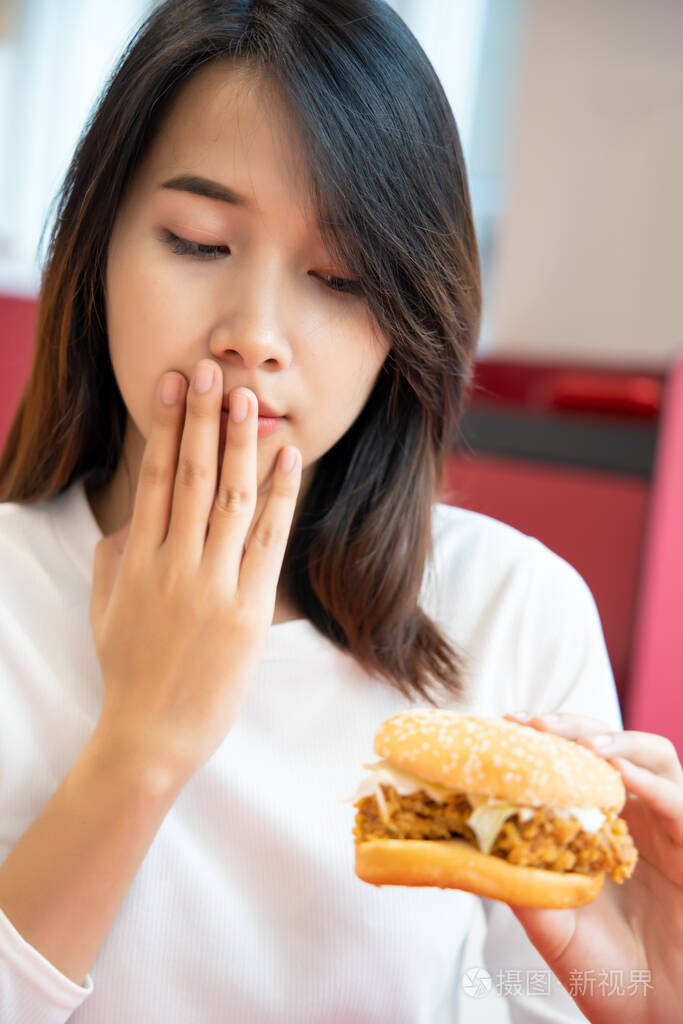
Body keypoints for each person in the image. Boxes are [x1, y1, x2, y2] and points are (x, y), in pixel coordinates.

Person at [0, 1, 679, 1021]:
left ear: (402, 321)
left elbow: (571, 991)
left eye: (337, 275)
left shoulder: (510, 609)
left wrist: (648, 1000)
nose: (255, 335)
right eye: (195, 242)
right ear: (97, 250)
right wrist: (141, 743)